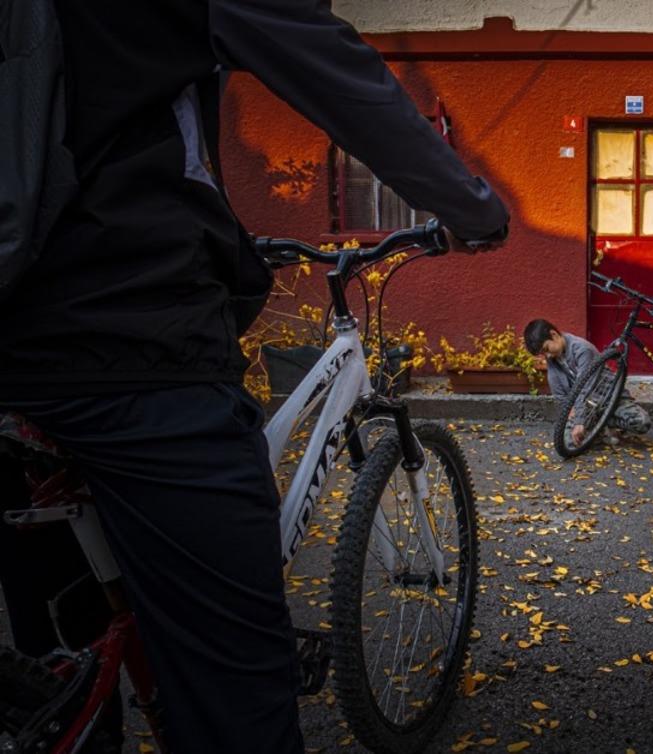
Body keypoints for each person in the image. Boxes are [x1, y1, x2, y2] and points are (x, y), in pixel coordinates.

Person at [0, 2, 508, 752]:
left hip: (16, 346)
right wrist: (471, 207)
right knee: (238, 684)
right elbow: (329, 63)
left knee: (64, 654)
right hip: (130, 338)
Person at [523, 319, 651, 446]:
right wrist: (571, 414)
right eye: (543, 354)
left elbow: (585, 387)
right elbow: (560, 395)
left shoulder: (582, 349)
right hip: (587, 407)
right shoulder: (553, 359)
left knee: (641, 422)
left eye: (546, 349)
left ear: (554, 335)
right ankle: (601, 432)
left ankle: (601, 428)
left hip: (609, 399)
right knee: (568, 442)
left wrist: (580, 421)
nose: (548, 356)